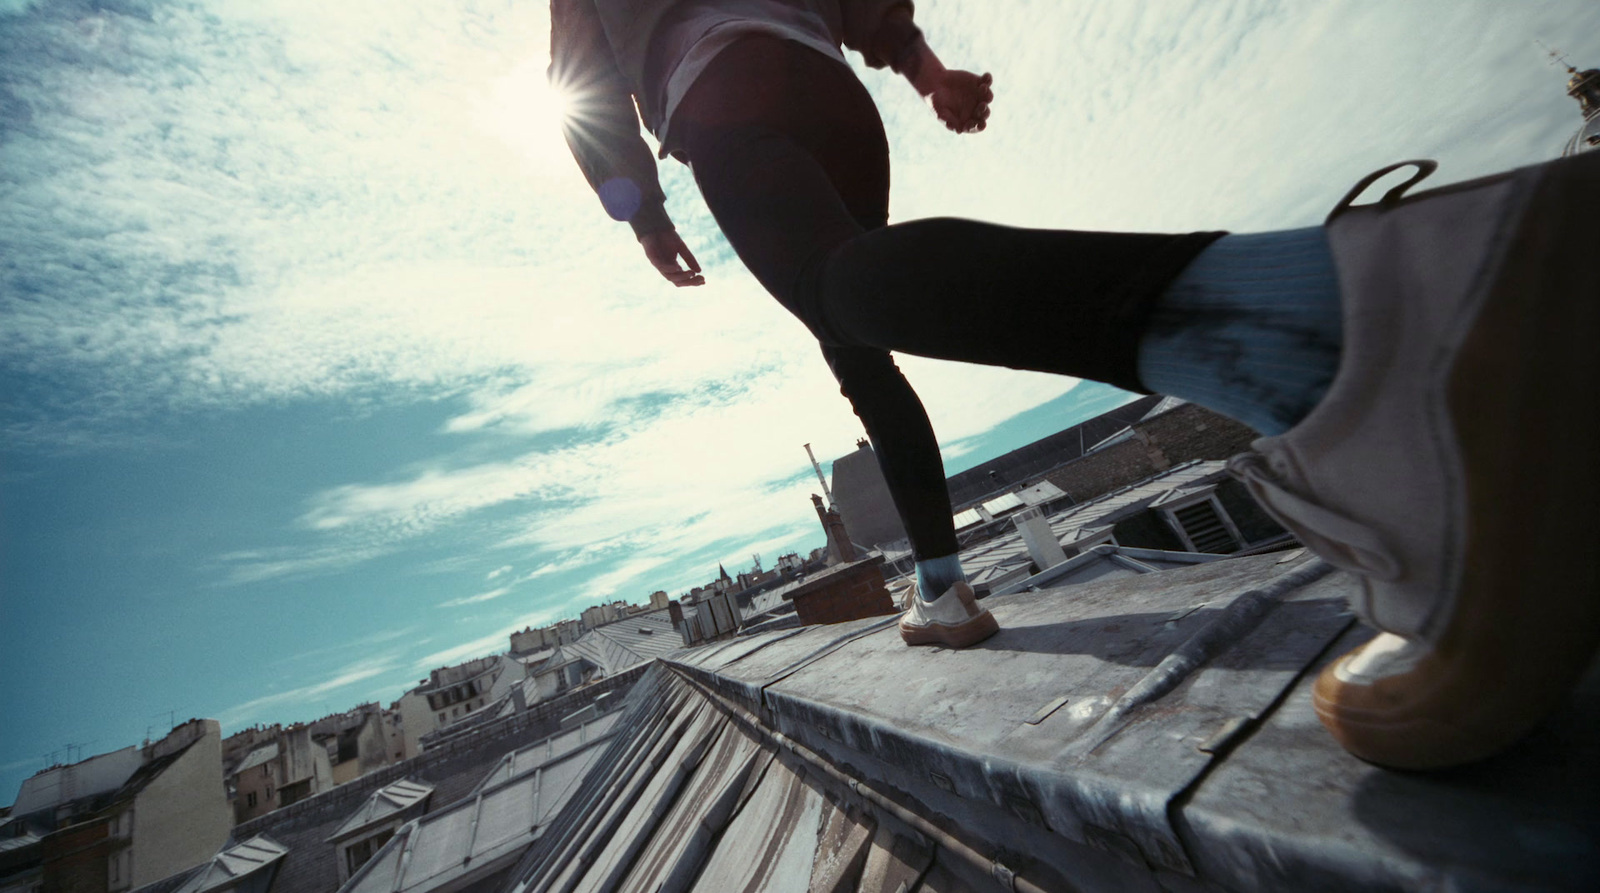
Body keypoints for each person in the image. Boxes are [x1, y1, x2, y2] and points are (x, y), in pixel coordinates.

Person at [550, 0, 1599, 770]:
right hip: (829, 88)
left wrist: (638, 209)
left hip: (718, 93)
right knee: (859, 321)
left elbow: (585, 84)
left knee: (850, 306)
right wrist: (924, 71)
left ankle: (1360, 331)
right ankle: (942, 588)